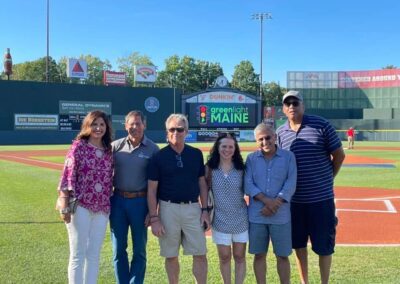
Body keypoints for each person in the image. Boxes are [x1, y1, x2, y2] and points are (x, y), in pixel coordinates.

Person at [276, 90, 345, 284]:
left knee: (324, 246)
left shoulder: (321, 125)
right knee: (298, 245)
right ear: (283, 108)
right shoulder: (281, 132)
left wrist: (328, 177)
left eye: (295, 102)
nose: (291, 106)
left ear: (303, 105)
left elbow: (339, 155)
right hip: (295, 202)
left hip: (321, 200)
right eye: (287, 103)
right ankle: (304, 282)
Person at [147, 113, 210, 284]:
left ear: (186, 131)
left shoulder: (196, 154)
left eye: (180, 129)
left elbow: (202, 183)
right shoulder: (158, 157)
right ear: (167, 132)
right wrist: (154, 217)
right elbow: (152, 190)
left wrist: (204, 210)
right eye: (172, 129)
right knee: (171, 254)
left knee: (200, 252)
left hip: (192, 208)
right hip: (168, 208)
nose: (176, 132)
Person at [56, 110, 114, 284]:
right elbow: (67, 176)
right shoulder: (78, 146)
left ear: (106, 127)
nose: (98, 128)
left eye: (101, 124)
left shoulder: (108, 150)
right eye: (94, 124)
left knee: (94, 254)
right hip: (80, 206)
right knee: (78, 254)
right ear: (87, 126)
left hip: (102, 208)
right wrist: (64, 204)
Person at [110, 110, 159, 284]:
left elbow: (157, 184)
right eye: (131, 123)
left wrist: (152, 212)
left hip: (141, 202)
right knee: (118, 249)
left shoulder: (153, 149)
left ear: (144, 125)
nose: (135, 127)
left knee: (139, 250)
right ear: (125, 126)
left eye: (138, 123)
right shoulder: (115, 146)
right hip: (118, 201)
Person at [245, 123, 297, 284]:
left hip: (280, 216)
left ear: (275, 137)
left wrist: (276, 202)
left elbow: (291, 182)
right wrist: (268, 202)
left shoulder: (288, 157)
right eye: (260, 139)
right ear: (256, 141)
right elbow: (248, 184)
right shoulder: (251, 159)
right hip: (257, 216)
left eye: (268, 137)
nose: (265, 141)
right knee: (259, 254)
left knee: (282, 255)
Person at [205, 133, 248, 284]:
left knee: (239, 256)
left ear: (235, 149)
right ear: (218, 147)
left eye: (231, 146)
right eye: (224, 146)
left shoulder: (242, 169)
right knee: (224, 257)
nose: (227, 150)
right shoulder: (209, 169)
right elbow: (203, 191)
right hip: (219, 219)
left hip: (240, 219)